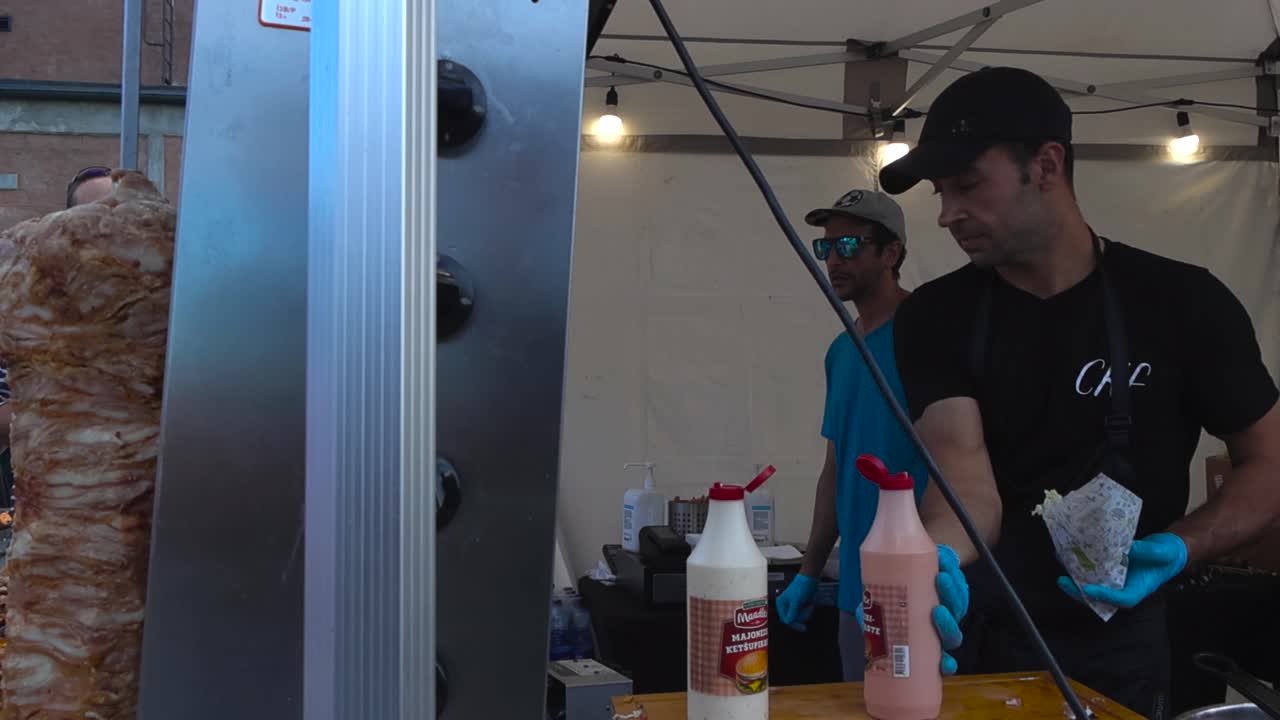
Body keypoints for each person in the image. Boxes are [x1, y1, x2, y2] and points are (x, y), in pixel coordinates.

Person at [878, 66, 1280, 719]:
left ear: (1046, 164)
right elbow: (964, 486)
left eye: (968, 186)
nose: (948, 214)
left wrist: (1179, 546)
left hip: (1122, 648)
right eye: (940, 193)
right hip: (984, 643)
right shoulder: (936, 316)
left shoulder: (1181, 303)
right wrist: (935, 562)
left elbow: (1270, 462)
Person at [773, 189, 929, 682]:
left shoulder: (928, 335)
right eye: (825, 248)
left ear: (891, 252)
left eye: (849, 246)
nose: (832, 260)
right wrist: (808, 571)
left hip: (924, 587)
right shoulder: (841, 351)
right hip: (855, 591)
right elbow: (835, 470)